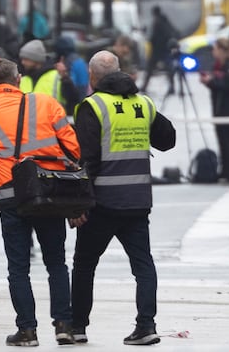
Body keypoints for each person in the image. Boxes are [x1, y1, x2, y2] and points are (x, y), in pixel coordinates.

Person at [0, 58, 80, 347]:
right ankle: (64, 325)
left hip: (8, 196)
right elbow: (72, 147)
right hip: (46, 192)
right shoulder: (47, 103)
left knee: (18, 267)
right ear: (18, 79)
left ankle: (27, 331)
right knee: (56, 262)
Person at [70, 50, 176, 345]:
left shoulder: (92, 106)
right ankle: (146, 326)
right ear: (121, 72)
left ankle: (77, 326)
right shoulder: (143, 104)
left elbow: (86, 160)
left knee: (85, 264)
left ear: (92, 77)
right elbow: (168, 140)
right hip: (137, 200)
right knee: (143, 264)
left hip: (102, 202)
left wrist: (78, 204)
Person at [199, 37, 229, 183]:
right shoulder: (219, 65)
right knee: (222, 140)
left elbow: (227, 84)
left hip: (228, 108)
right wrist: (209, 82)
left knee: (228, 141)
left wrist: (211, 81)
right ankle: (224, 171)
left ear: (222, 50)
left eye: (215, 49)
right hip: (219, 107)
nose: (213, 52)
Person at [18, 39, 80, 112]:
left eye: (26, 59)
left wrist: (66, 79)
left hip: (52, 122)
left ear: (36, 60)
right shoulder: (23, 79)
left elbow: (73, 99)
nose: (23, 62)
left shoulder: (58, 76)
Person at [141, 6, 179, 94]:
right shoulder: (164, 20)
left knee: (150, 69)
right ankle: (172, 87)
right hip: (165, 49)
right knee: (168, 69)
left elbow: (154, 37)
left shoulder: (157, 22)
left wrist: (150, 40)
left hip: (157, 50)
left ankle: (144, 86)